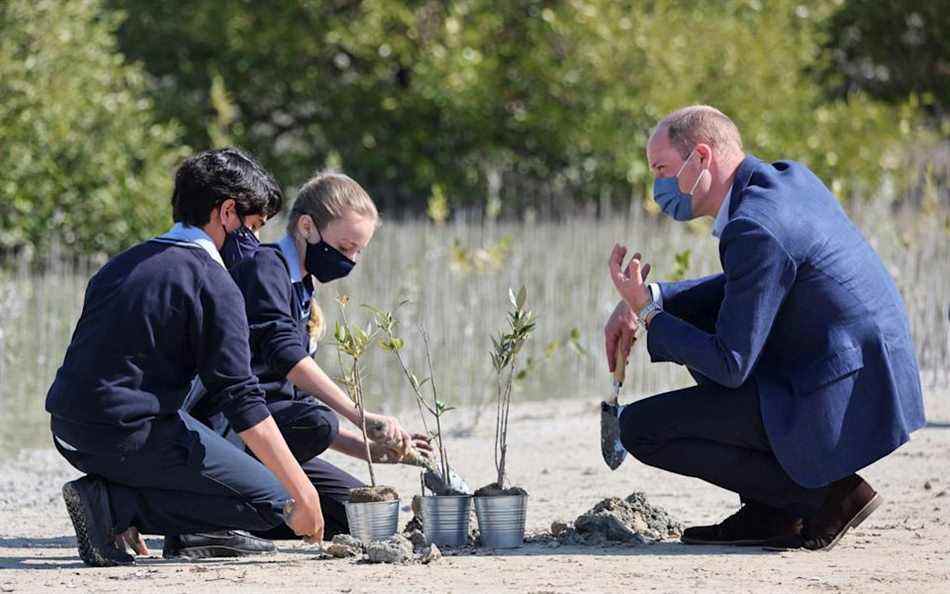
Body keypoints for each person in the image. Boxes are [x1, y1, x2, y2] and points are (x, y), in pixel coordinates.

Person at [603, 105, 926, 551]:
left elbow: (731, 364)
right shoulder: (786, 179)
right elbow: (752, 283)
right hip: (864, 369)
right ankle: (770, 512)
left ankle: (829, 497)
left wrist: (652, 316)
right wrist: (648, 299)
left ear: (700, 158)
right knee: (697, 316)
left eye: (662, 169)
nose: (658, 185)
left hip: (841, 389)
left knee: (640, 427)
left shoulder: (754, 228)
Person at [45, 148, 325, 566]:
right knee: (274, 505)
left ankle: (117, 496)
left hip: (69, 429)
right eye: (253, 225)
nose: (254, 241)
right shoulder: (213, 282)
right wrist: (303, 493)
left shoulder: (123, 262)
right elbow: (241, 399)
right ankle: (116, 503)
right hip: (124, 433)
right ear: (227, 212)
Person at [173, 172, 430, 558]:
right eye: (345, 247)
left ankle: (252, 509)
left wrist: (372, 449)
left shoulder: (302, 290)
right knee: (319, 421)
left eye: (358, 251)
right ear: (307, 226)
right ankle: (208, 505)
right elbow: (284, 358)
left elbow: (289, 404)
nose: (350, 260)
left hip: (266, 431)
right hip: (228, 424)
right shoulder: (265, 268)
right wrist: (360, 415)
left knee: (353, 517)